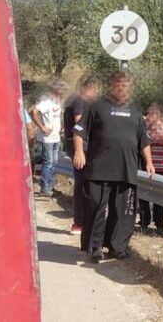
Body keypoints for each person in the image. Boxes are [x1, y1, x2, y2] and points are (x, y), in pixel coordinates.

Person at [72, 71, 155, 263]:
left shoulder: (135, 111)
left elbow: (144, 140)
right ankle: (95, 247)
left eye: (125, 85)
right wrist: (79, 152)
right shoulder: (97, 107)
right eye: (118, 84)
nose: (121, 88)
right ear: (110, 86)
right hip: (99, 169)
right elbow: (79, 131)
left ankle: (117, 248)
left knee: (124, 212)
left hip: (126, 170)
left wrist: (149, 162)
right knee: (96, 209)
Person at [63, 74, 100, 235]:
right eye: (96, 89)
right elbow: (80, 124)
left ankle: (82, 221)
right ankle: (79, 222)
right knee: (82, 184)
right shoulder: (80, 101)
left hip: (79, 146)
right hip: (81, 148)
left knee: (83, 183)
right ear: (90, 87)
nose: (97, 93)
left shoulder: (76, 100)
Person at [139, 102, 163, 235]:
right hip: (146, 166)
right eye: (149, 113)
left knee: (159, 197)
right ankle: (144, 222)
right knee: (144, 195)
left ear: (160, 116)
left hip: (160, 166)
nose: (150, 116)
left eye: (154, 114)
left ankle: (159, 224)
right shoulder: (144, 129)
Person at [31, 79, 68, 197]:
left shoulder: (58, 103)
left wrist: (61, 128)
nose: (63, 93)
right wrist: (42, 127)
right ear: (56, 91)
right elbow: (33, 112)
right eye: (62, 90)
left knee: (54, 162)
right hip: (47, 139)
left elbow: (58, 116)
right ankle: (44, 188)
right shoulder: (46, 102)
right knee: (48, 162)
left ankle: (50, 187)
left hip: (56, 138)